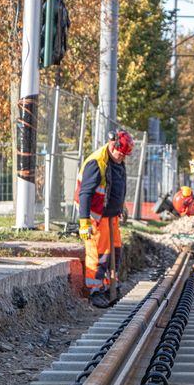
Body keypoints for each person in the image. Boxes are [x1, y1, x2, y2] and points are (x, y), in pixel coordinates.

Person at [75, 130, 134, 308]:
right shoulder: (96, 162)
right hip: (96, 216)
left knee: (114, 252)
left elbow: (117, 186)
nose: (122, 157)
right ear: (112, 145)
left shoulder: (117, 161)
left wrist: (120, 206)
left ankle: (109, 286)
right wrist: (84, 222)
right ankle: (95, 291)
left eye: (125, 155)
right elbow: (85, 193)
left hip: (111, 215)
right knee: (99, 255)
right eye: (120, 153)